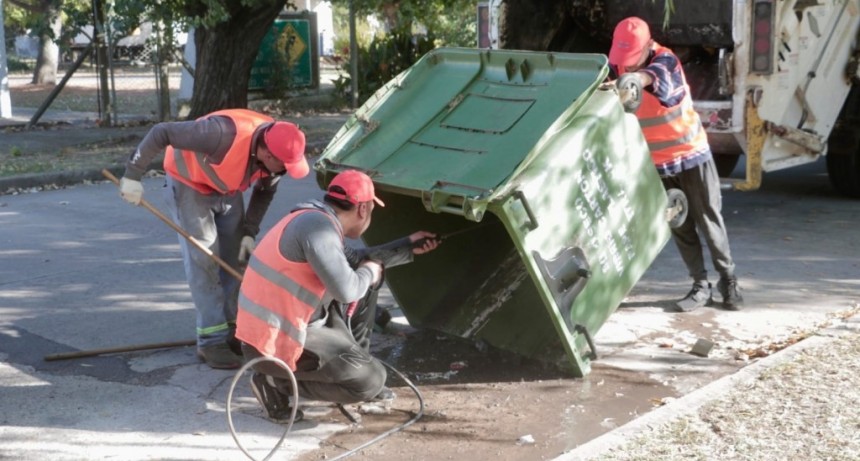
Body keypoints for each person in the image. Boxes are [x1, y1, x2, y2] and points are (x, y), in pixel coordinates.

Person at [235, 169, 439, 422]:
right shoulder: (317, 229)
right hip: (272, 343)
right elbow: (347, 290)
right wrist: (369, 271)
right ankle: (274, 382)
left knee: (368, 280)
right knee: (371, 381)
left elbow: (355, 261)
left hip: (280, 329)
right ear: (363, 209)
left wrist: (407, 245)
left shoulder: (316, 220)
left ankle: (352, 362)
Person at [117, 108, 309, 369]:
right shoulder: (219, 134)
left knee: (235, 259)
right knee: (204, 260)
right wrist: (132, 175)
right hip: (189, 185)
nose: (285, 171)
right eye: (284, 166)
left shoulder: (277, 146)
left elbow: (265, 192)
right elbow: (161, 132)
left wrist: (249, 231)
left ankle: (232, 330)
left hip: (226, 187)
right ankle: (211, 341)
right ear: (267, 154)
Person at [608, 17, 743, 312]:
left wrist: (634, 80)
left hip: (691, 155)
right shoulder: (617, 67)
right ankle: (700, 285)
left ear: (648, 46)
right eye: (622, 59)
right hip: (658, 165)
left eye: (632, 58)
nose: (626, 65)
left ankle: (728, 280)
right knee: (679, 224)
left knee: (709, 221)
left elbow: (654, 79)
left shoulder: (665, 61)